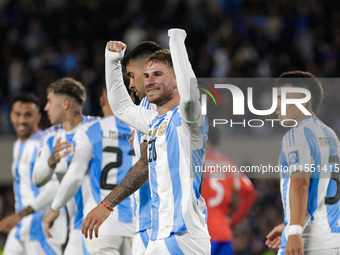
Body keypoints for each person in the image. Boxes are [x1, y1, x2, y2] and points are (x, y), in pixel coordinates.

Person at [82, 28, 210, 254]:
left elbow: (190, 94)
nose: (148, 81)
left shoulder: (189, 119)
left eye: (158, 75)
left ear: (177, 79)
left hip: (184, 235)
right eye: (146, 76)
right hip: (158, 235)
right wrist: (112, 61)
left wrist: (176, 40)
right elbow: (120, 107)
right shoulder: (152, 120)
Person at [43, 85, 136, 255]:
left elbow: (74, 176)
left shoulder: (90, 129)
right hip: (137, 226)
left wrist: (54, 208)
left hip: (100, 224)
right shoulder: (141, 130)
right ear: (134, 98)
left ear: (102, 100)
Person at [265, 71, 340, 255]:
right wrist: (288, 224)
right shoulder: (331, 135)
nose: (276, 106)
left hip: (307, 242)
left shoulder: (296, 135)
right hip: (333, 239)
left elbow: (300, 184)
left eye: (282, 98)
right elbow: (322, 189)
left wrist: (294, 231)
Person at [33, 77, 98, 255]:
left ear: (65, 104)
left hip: (104, 220)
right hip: (77, 226)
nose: (46, 108)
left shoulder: (96, 128)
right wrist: (50, 162)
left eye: (49, 101)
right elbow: (38, 179)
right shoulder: (50, 138)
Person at [0, 93, 66, 255]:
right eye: (18, 114)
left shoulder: (44, 144)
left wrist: (19, 215)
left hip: (42, 230)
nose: (22, 120)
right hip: (21, 228)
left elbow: (54, 189)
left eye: (27, 115)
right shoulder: (17, 145)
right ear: (11, 116)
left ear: (37, 117)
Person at [121, 41, 161, 253]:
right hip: (157, 221)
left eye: (130, 75)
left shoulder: (151, 103)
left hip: (153, 222)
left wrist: (107, 204)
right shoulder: (169, 104)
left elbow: (146, 163)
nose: (130, 84)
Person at [201, 125, 257, 255]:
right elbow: (250, 193)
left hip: (201, 232)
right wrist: (234, 220)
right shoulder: (228, 164)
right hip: (223, 232)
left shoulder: (195, 163)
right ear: (220, 141)